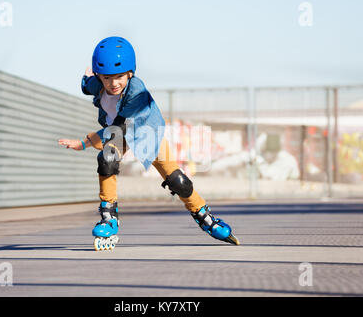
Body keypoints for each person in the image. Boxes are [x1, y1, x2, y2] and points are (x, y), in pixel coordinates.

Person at [58, 36, 239, 250]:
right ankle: (108, 217)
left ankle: (204, 216)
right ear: (99, 76)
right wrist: (86, 80)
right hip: (121, 132)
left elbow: (118, 125)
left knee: (178, 180)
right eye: (107, 78)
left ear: (130, 73)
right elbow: (87, 86)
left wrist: (86, 141)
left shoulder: (137, 91)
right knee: (107, 158)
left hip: (146, 133)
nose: (113, 84)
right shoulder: (97, 84)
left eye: (119, 77)